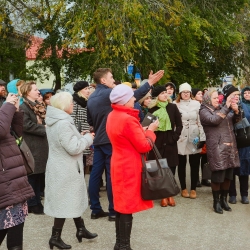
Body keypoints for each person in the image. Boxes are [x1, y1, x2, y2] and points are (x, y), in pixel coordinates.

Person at [87, 68, 164, 221]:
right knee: (111, 176)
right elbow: (131, 96)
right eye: (111, 77)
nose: (113, 80)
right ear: (103, 80)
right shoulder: (109, 94)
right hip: (112, 138)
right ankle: (113, 209)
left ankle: (95, 208)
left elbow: (90, 121)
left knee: (95, 174)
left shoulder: (91, 97)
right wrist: (149, 83)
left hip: (100, 139)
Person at [106, 84, 159, 250]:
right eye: (131, 97)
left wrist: (140, 130)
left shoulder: (113, 115)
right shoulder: (128, 119)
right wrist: (151, 131)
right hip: (129, 166)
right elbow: (144, 146)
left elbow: (126, 137)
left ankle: (119, 243)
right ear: (124, 101)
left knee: (121, 206)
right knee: (126, 206)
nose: (135, 99)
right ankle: (124, 246)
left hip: (118, 163)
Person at [44, 92, 97, 249]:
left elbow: (64, 141)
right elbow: (73, 148)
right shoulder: (63, 123)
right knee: (65, 202)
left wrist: (79, 136)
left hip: (60, 166)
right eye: (71, 103)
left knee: (70, 199)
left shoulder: (56, 120)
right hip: (66, 168)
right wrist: (88, 139)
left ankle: (80, 229)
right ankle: (55, 236)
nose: (73, 105)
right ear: (64, 105)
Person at [0, 93, 34, 250]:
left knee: (16, 229)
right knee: (7, 225)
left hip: (13, 178)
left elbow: (16, 133)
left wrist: (15, 110)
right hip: (5, 181)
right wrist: (7, 106)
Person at [199, 86, 240, 214]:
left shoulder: (221, 108)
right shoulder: (204, 111)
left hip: (230, 146)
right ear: (208, 99)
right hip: (216, 147)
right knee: (217, 176)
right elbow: (215, 120)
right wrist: (227, 107)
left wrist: (236, 111)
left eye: (218, 97)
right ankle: (216, 201)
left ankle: (224, 200)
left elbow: (236, 121)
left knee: (228, 175)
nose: (218, 99)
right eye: (215, 98)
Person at [148, 85, 182, 207]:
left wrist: (175, 137)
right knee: (157, 167)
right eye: (162, 93)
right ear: (157, 96)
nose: (165, 95)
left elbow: (179, 124)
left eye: (165, 93)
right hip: (157, 140)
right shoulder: (152, 109)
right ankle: (162, 194)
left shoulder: (172, 107)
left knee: (170, 167)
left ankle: (170, 194)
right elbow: (146, 125)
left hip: (170, 139)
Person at [19, 82, 48, 214]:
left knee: (38, 176)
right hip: (32, 146)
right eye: (35, 90)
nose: (38, 92)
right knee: (32, 175)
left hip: (40, 145)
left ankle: (37, 201)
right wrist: (44, 128)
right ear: (27, 92)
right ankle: (32, 203)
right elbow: (26, 125)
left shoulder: (37, 106)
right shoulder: (23, 107)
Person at [174, 82, 206, 199]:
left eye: (188, 92)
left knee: (194, 162)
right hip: (181, 135)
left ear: (190, 93)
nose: (186, 94)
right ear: (180, 93)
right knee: (181, 163)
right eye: (183, 92)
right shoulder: (175, 104)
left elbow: (200, 122)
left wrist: (202, 137)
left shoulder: (196, 104)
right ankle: (183, 188)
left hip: (194, 133)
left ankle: (193, 188)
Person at [229, 86, 250, 204]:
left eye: (237, 95)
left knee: (244, 168)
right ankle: (232, 194)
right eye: (233, 95)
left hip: (245, 142)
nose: (236, 97)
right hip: (231, 141)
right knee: (231, 168)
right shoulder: (225, 108)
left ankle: (244, 194)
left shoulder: (246, 107)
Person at [71, 81, 93, 174]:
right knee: (79, 165)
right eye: (85, 89)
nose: (88, 91)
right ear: (80, 91)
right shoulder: (74, 101)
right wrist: (77, 132)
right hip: (78, 135)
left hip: (86, 134)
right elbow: (72, 119)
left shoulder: (86, 102)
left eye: (88, 88)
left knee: (84, 163)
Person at [191, 88, 211, 187]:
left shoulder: (205, 105)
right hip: (196, 134)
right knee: (196, 157)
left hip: (206, 133)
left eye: (201, 94)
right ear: (194, 95)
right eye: (199, 94)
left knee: (205, 157)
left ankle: (205, 178)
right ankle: (196, 179)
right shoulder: (192, 106)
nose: (201, 95)